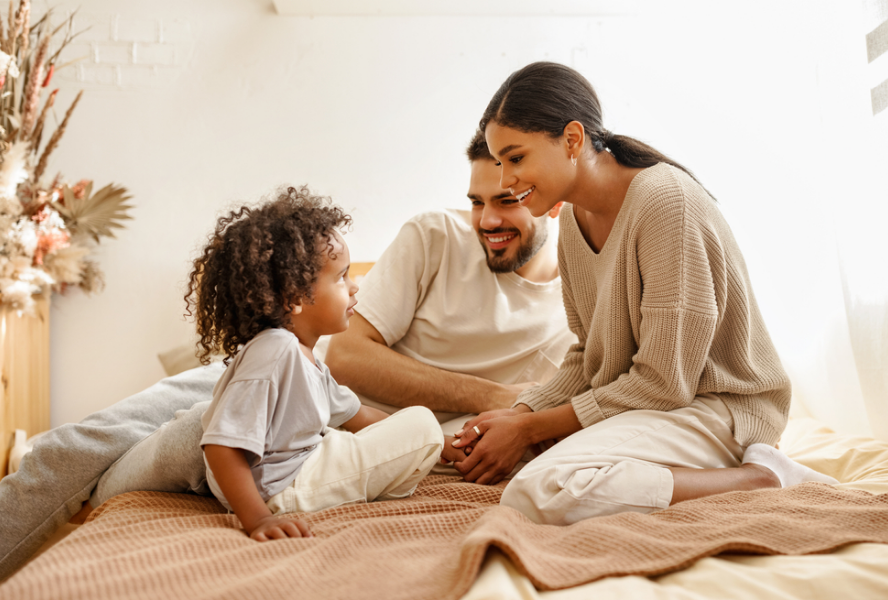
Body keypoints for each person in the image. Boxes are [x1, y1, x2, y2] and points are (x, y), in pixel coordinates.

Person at [0, 133, 573, 577]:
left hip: (325, 425)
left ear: (549, 202)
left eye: (509, 201)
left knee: (134, 463)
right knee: (73, 450)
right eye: (477, 201)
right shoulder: (433, 238)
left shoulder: (574, 304)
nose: (487, 220)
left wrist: (466, 437)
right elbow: (346, 356)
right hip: (279, 379)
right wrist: (494, 397)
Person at [450, 62, 838, 525]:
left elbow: (663, 382)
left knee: (541, 487)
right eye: (498, 163)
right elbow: (587, 357)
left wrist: (532, 427)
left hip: (721, 407)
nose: (505, 179)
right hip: (655, 408)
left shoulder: (664, 202)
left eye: (515, 158)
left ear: (572, 140)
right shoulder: (572, 221)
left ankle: (761, 477)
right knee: (471, 445)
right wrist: (519, 414)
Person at [190, 187, 442, 540]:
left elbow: (359, 417)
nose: (355, 289)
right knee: (423, 425)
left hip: (302, 468)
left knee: (413, 427)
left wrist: (442, 445)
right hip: (281, 488)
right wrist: (258, 518)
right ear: (294, 296)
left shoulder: (306, 358)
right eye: (341, 277)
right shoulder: (274, 351)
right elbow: (221, 446)